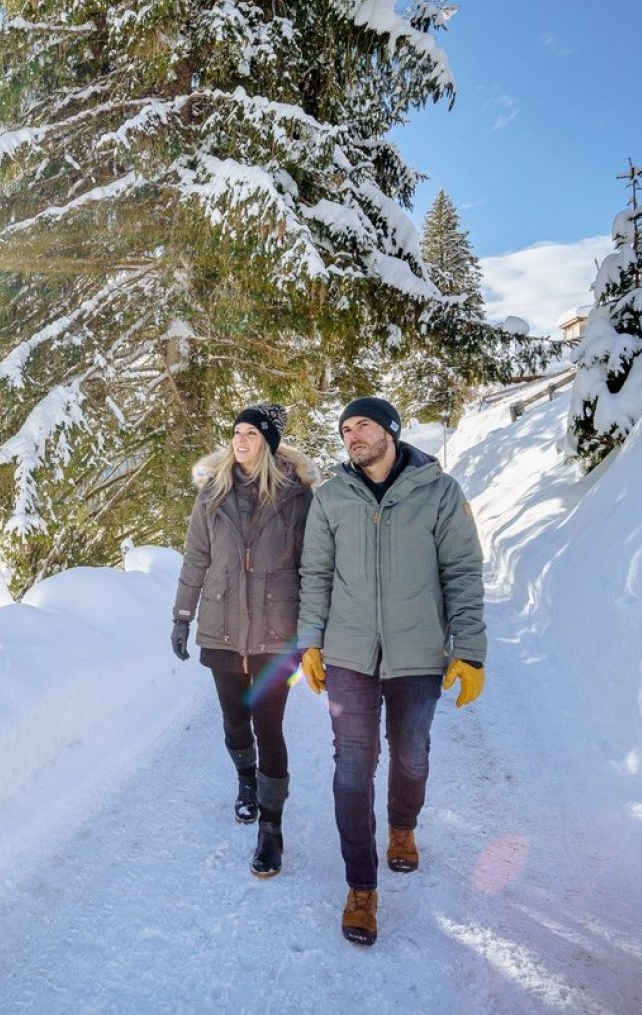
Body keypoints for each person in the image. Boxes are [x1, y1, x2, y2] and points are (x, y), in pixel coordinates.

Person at [296, 396, 486, 945]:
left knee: (412, 754)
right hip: (350, 656)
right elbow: (316, 575)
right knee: (353, 769)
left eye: (363, 426)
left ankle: (402, 829)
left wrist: (469, 650)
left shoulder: (440, 493)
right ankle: (362, 887)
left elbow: (463, 573)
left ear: (391, 432)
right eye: (345, 429)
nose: (352, 436)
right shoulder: (331, 497)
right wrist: (311, 641)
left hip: (419, 655)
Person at [171, 403, 319, 878]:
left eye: (251, 433)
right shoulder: (212, 493)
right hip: (222, 625)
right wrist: (181, 615)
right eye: (236, 431)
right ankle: (246, 783)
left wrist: (315, 632)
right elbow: (196, 557)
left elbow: (313, 566)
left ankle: (271, 830)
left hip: (277, 630)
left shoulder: (297, 498)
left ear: (269, 443)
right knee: (235, 718)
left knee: (269, 724)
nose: (240, 440)